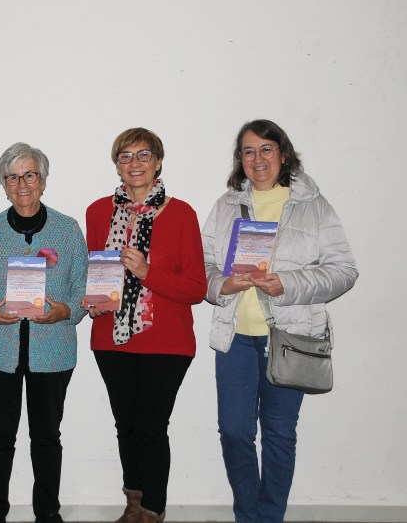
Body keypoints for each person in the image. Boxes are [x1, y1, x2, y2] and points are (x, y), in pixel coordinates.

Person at [202, 119, 358, 523]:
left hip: (291, 339)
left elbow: (344, 271)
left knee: (279, 434)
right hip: (235, 338)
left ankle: (267, 518)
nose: (258, 158)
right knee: (234, 433)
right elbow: (204, 266)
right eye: (248, 151)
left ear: (283, 154)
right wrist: (223, 283)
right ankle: (248, 515)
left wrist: (287, 283)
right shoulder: (225, 205)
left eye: (266, 149)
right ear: (240, 159)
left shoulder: (314, 205)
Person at [0, 143, 87, 523]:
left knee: (47, 437)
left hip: (53, 351)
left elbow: (83, 288)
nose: (22, 184)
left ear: (43, 181)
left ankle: (47, 511)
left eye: (29, 175)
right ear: (4, 185)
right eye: (12, 177)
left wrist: (68, 311)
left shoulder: (68, 229)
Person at [84, 128, 206, 523]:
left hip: (166, 341)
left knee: (151, 427)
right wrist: (93, 299)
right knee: (126, 426)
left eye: (143, 155)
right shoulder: (97, 212)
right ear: (116, 164)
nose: (134, 163)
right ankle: (133, 504)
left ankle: (153, 510)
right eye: (125, 156)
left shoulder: (182, 213)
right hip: (111, 338)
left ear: (158, 162)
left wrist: (147, 271)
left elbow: (196, 288)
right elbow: (96, 270)